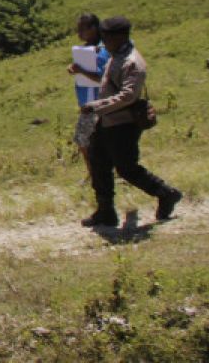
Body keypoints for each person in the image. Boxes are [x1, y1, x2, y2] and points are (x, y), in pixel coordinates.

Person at [80, 16, 181, 227]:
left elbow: (128, 96)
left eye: (107, 37)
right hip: (105, 121)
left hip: (123, 124)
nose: (104, 40)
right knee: (98, 164)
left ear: (119, 37)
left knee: (126, 168)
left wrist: (97, 106)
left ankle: (166, 193)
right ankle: (105, 211)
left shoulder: (132, 62)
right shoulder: (115, 55)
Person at [66, 13, 110, 178]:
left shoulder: (103, 50)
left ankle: (97, 175)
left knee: (84, 140)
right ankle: (96, 174)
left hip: (97, 103)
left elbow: (101, 78)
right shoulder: (86, 49)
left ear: (93, 28)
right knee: (87, 141)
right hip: (87, 104)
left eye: (82, 29)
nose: (79, 34)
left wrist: (81, 70)